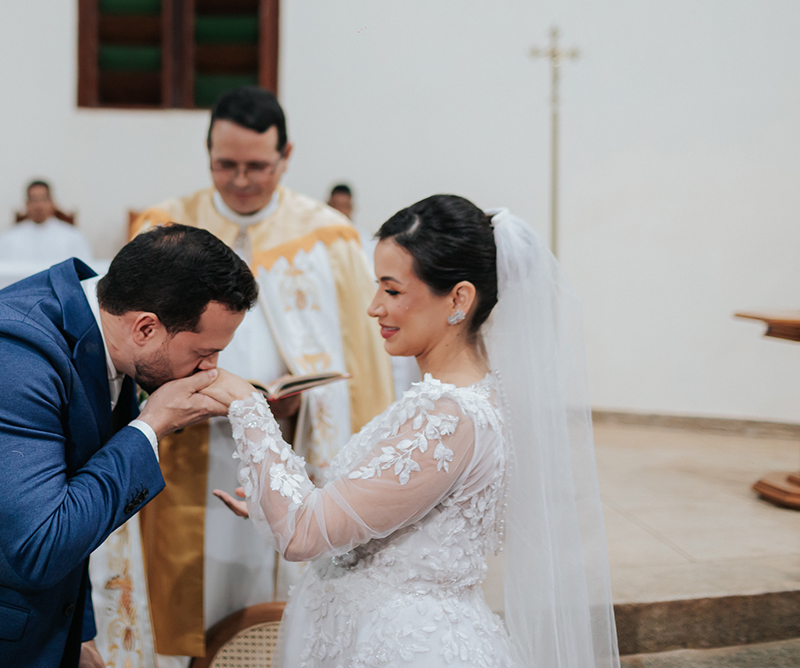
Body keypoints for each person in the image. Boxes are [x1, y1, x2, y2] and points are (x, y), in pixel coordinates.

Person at [215, 195, 620, 668]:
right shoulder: (457, 397)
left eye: (392, 290)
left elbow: (305, 535)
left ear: (458, 299)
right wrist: (281, 499)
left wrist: (245, 404)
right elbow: (381, 503)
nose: (373, 308)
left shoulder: (451, 416)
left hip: (409, 648)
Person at [0, 224, 259, 668]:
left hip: (25, 625)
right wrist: (150, 427)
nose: (211, 369)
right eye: (206, 352)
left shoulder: (100, 335)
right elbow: (35, 547)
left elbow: (70, 488)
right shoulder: (5, 356)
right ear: (146, 328)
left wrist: (75, 634)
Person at [96, 86, 396, 666]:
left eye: (256, 166)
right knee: (179, 606)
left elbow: (363, 371)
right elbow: (126, 344)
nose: (239, 180)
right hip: (180, 460)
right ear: (208, 153)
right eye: (224, 165)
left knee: (272, 598)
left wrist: (296, 406)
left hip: (286, 454)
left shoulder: (330, 238)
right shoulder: (164, 227)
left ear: (285, 157)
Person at [0, 179, 94, 263]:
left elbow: (84, 270)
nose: (38, 206)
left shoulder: (73, 236)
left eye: (43, 199)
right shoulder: (9, 238)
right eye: (33, 200)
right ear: (26, 203)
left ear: (52, 202)